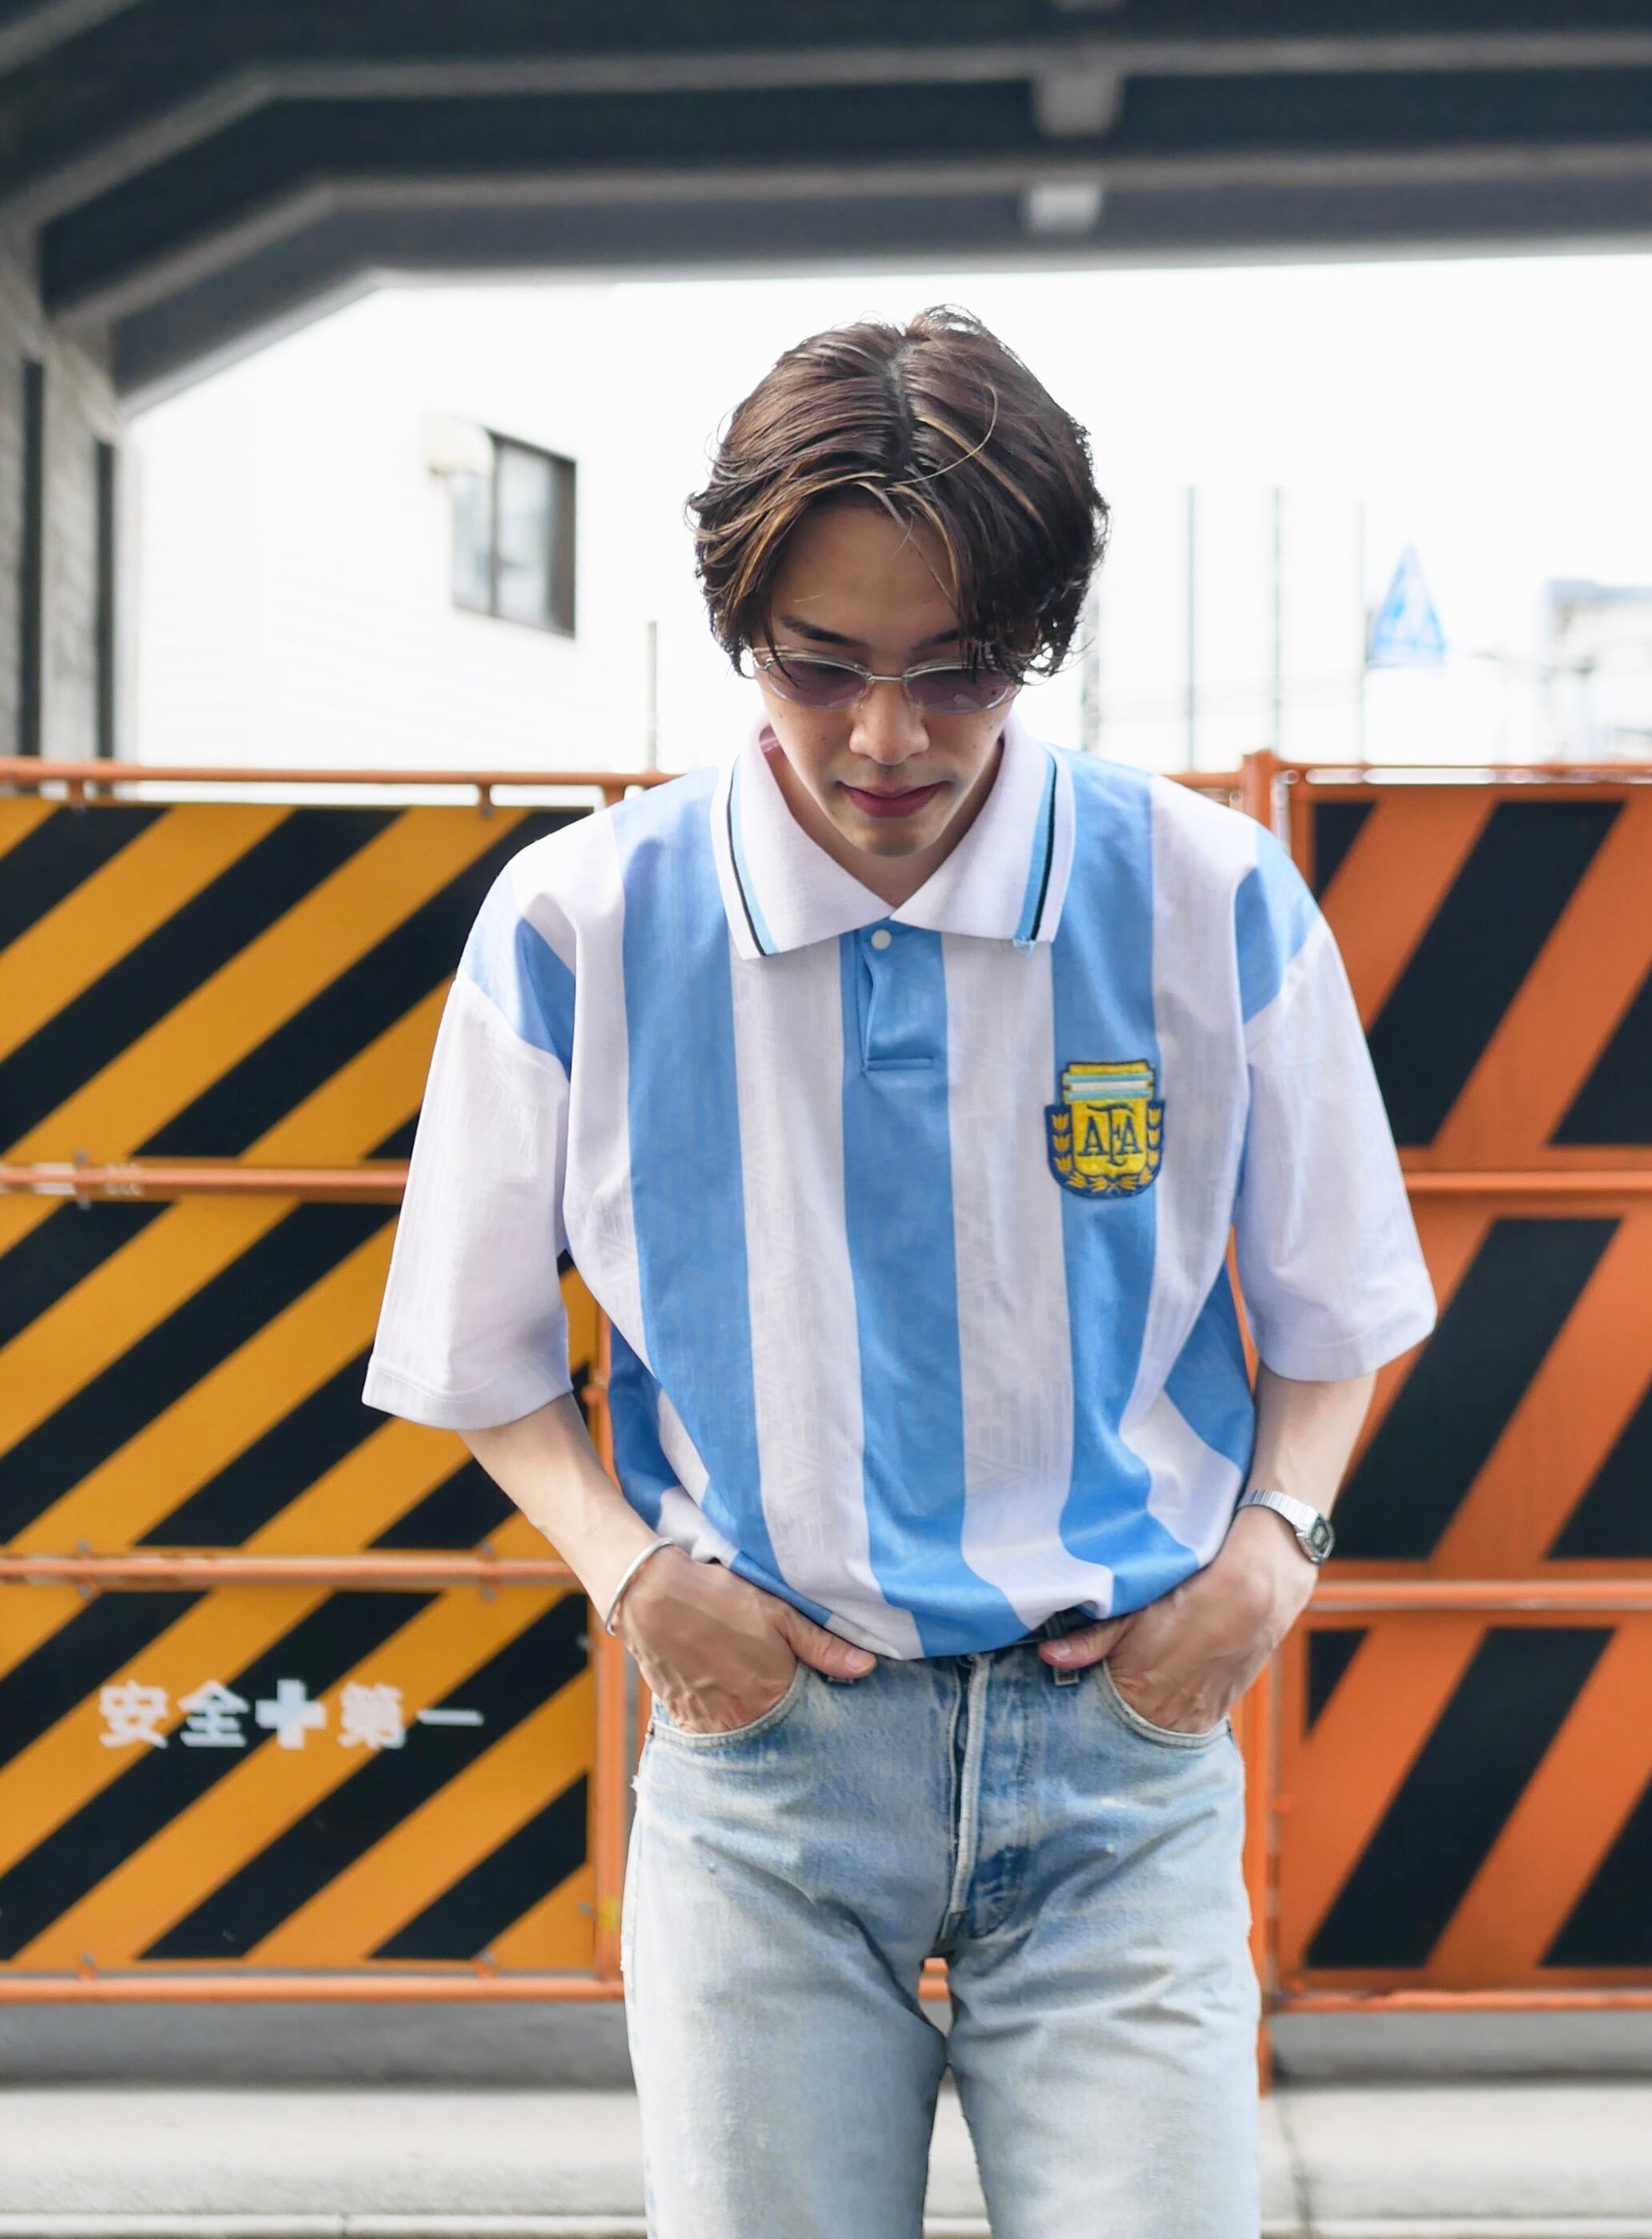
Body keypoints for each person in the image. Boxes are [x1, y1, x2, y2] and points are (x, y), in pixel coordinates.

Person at [363, 305, 1436, 2239]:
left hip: (1122, 1757)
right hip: (766, 1764)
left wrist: (1271, 1557)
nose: (885, 737)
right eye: (820, 665)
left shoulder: (1208, 899)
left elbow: (1339, 1303)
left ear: (1038, 638)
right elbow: (473, 1343)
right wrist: (639, 1584)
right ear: (740, 629)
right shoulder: (580, 923)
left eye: (959, 671)